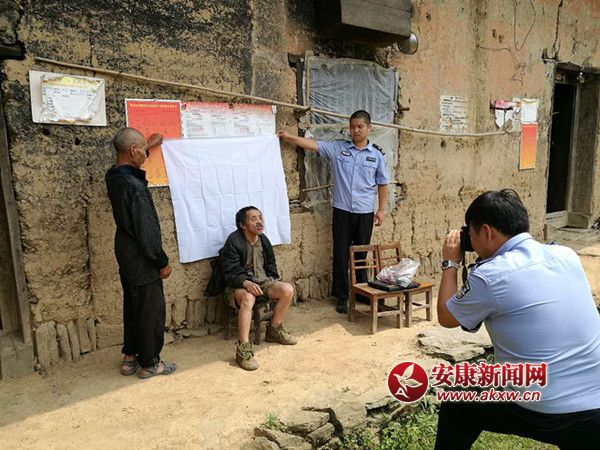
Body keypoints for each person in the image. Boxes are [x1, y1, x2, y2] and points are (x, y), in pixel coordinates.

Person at [436, 189, 600, 449]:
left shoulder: (490, 275)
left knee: (458, 404)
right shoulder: (566, 255)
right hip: (595, 406)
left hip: (546, 408)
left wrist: (450, 263)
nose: (471, 241)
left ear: (486, 232)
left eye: (471, 233)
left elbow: (446, 317)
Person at [277, 110, 390, 314]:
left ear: (369, 128)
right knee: (340, 254)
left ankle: (362, 291)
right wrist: (288, 137)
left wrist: (381, 210)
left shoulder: (376, 155)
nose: (356, 130)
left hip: (365, 212)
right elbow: (313, 145)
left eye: (360, 126)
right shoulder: (339, 148)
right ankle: (341, 296)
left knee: (361, 254)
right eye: (352, 127)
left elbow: (383, 183)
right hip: (342, 211)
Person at [105, 127, 176, 379]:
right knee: (150, 311)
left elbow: (128, 165)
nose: (146, 156)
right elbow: (147, 231)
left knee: (133, 305)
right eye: (144, 151)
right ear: (133, 150)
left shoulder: (113, 176)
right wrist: (161, 261)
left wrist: (150, 145)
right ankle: (150, 363)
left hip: (125, 252)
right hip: (142, 256)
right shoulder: (135, 187)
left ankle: (130, 356)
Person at [219, 206, 297, 371]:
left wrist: (273, 281)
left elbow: (271, 266)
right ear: (243, 225)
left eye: (260, 217)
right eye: (253, 219)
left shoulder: (263, 240)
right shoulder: (234, 241)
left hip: (262, 282)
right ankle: (243, 349)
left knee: (287, 290)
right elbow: (229, 273)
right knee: (248, 298)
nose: (259, 221)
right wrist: (246, 283)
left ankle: (274, 330)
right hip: (237, 286)